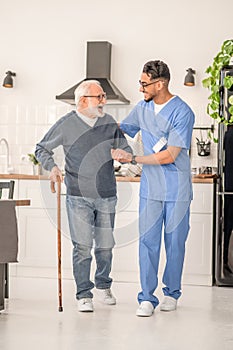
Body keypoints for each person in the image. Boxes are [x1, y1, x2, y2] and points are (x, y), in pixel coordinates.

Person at [35, 80, 132, 312]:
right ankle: (83, 294)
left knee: (106, 246)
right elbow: (41, 148)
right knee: (82, 247)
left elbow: (126, 150)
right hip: (78, 195)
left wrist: (124, 154)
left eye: (103, 96)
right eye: (99, 97)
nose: (103, 101)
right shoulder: (66, 124)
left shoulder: (108, 122)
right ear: (82, 101)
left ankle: (103, 284)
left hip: (107, 194)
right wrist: (53, 168)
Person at [112, 60, 195, 317]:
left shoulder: (183, 112)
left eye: (144, 84)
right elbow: (120, 130)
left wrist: (133, 159)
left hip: (176, 188)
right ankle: (147, 297)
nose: (140, 89)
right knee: (148, 243)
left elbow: (170, 155)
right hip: (151, 188)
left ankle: (171, 293)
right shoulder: (142, 109)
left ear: (160, 84)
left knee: (175, 243)